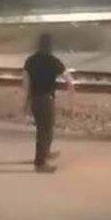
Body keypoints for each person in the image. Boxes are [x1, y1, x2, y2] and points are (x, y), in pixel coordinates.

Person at [23, 33, 74, 173]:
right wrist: (70, 99)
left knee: (44, 129)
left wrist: (25, 103)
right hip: (47, 99)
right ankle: (40, 163)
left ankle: (46, 153)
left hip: (35, 99)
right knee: (45, 131)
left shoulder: (30, 61)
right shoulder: (53, 60)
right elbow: (68, 80)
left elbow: (25, 84)